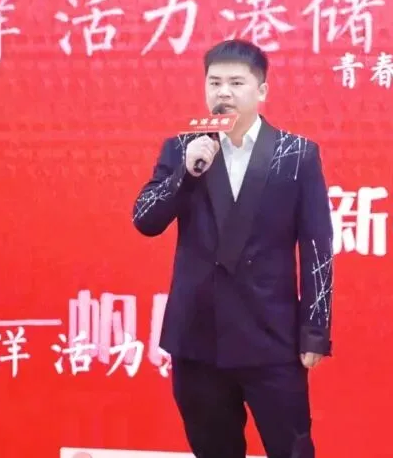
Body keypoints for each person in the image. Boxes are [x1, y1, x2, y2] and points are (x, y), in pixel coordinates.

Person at [131, 39, 334, 458]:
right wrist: (185, 174)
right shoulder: (182, 149)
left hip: (272, 338)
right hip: (198, 339)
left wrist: (315, 331)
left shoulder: (297, 154)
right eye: (215, 82)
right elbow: (145, 220)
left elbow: (317, 246)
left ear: (261, 90)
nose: (223, 92)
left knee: (293, 449)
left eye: (236, 83)